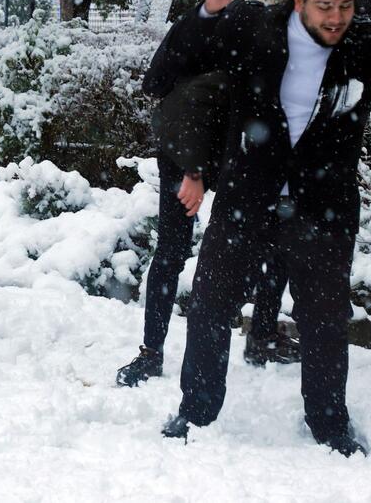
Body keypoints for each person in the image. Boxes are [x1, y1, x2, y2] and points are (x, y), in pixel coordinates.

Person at [157, 0, 371, 456]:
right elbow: (171, 67)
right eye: (324, 6)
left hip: (322, 206)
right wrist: (207, 11)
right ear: (298, 0)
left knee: (324, 320)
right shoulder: (252, 27)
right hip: (247, 197)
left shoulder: (366, 41)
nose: (336, 18)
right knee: (210, 306)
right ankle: (196, 412)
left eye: (345, 6)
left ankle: (329, 424)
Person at [116, 52, 298, 387]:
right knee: (172, 250)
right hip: (187, 150)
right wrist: (194, 171)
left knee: (275, 235)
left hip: (219, 149)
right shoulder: (237, 70)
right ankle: (151, 353)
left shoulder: (257, 66)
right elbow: (187, 112)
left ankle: (262, 336)